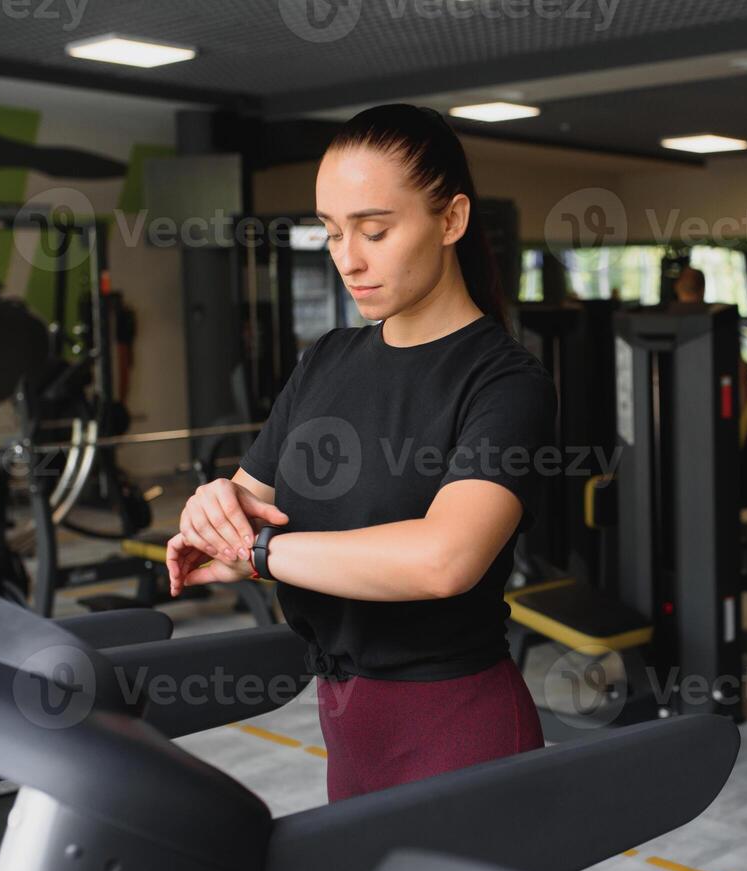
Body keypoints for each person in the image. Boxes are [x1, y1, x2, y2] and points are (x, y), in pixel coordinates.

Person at [165, 104, 554, 802]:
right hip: (350, 733)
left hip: (460, 732)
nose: (349, 258)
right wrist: (210, 508)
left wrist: (256, 554)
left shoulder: (504, 382)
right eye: (333, 232)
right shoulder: (328, 361)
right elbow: (251, 502)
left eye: (375, 230)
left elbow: (443, 559)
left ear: (451, 219)